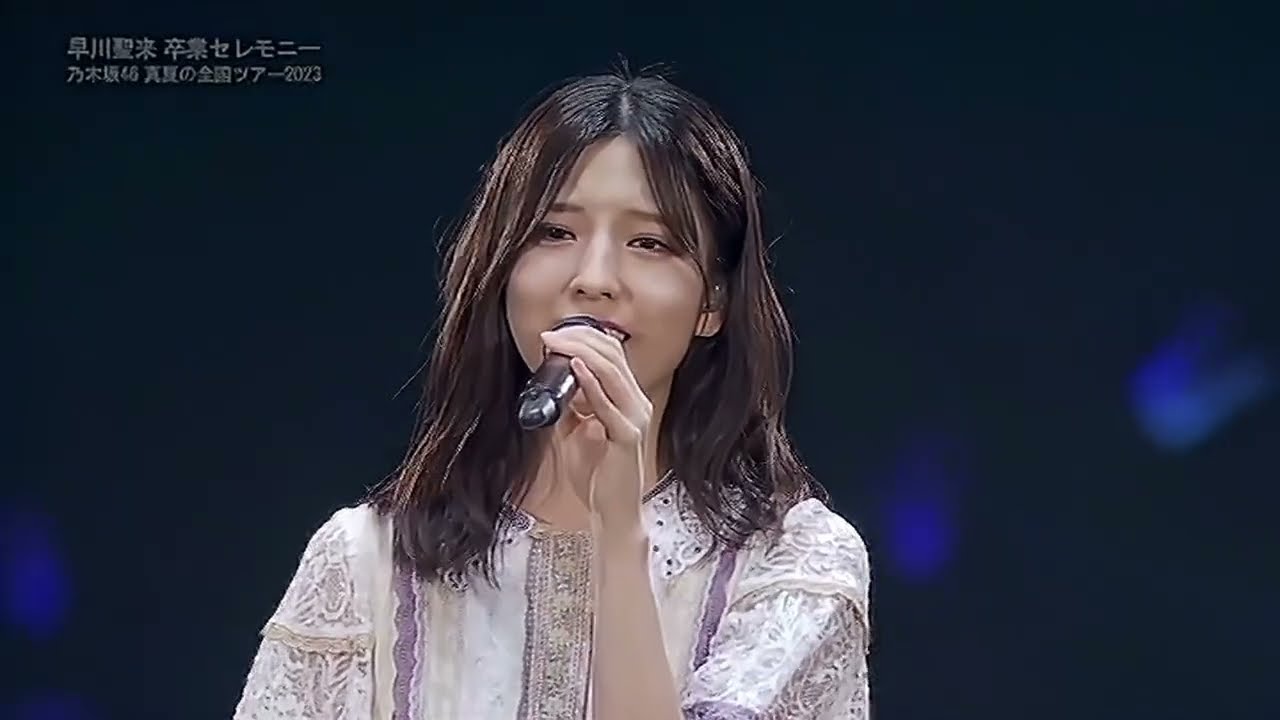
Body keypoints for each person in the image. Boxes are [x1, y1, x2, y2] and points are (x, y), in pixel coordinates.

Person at [233, 67, 871, 720]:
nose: (594, 278)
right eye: (555, 233)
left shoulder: (793, 570)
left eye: (649, 243)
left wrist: (618, 537)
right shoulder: (367, 563)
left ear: (713, 302)